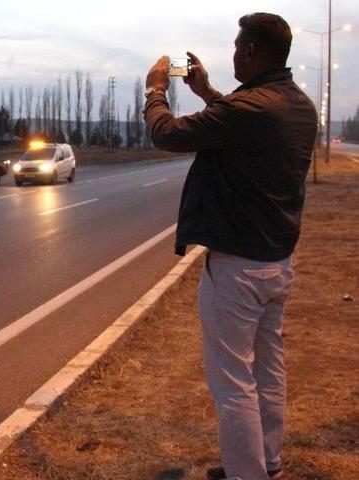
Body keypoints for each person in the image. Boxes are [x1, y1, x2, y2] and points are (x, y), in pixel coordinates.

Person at [143, 13, 317, 480]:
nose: (234, 53)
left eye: (239, 46)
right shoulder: (296, 104)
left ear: (255, 51)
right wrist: (206, 93)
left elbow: (167, 134)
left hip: (239, 269)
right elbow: (242, 126)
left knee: (233, 382)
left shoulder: (250, 109)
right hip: (277, 262)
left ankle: (247, 473)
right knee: (268, 370)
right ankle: (268, 460)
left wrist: (155, 90)